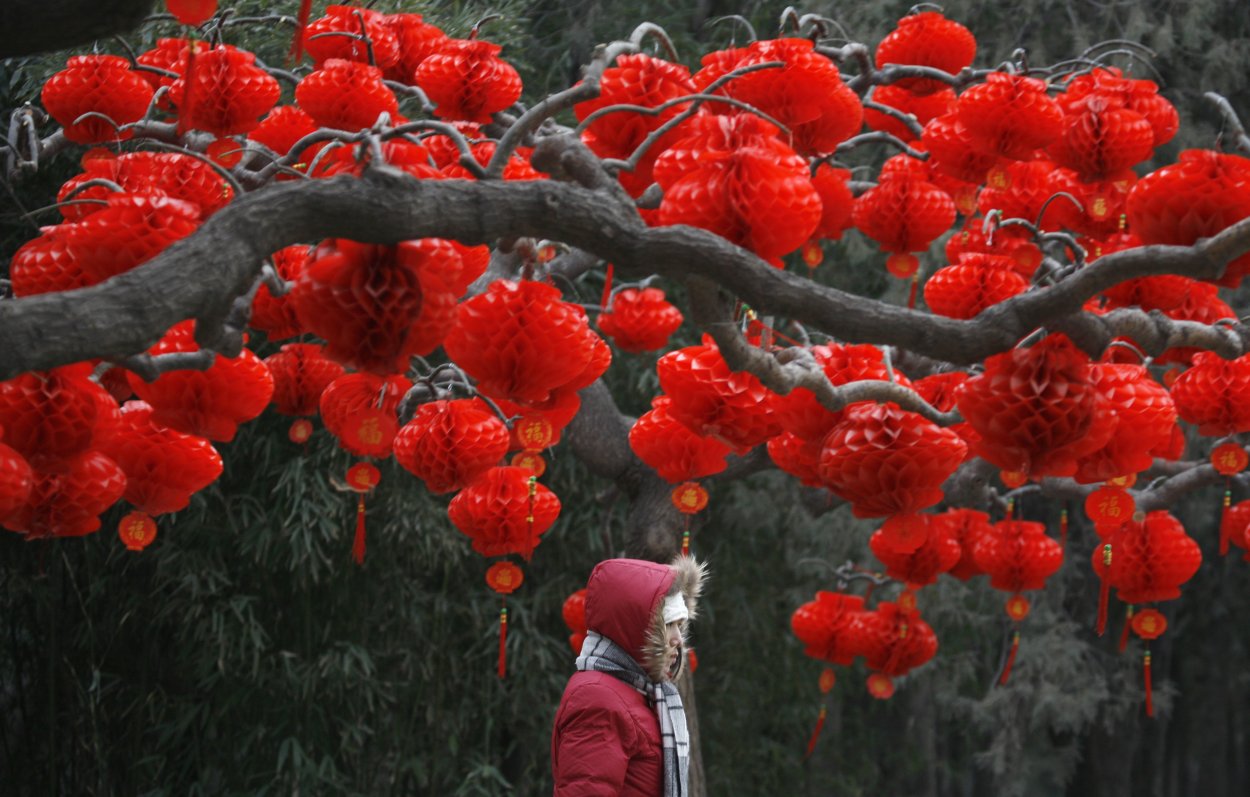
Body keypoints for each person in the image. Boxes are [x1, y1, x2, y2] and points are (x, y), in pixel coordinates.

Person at [551, 556, 706, 797]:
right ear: (635, 624)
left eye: (680, 625)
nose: (678, 639)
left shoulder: (644, 695)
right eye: (667, 625)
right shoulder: (598, 699)